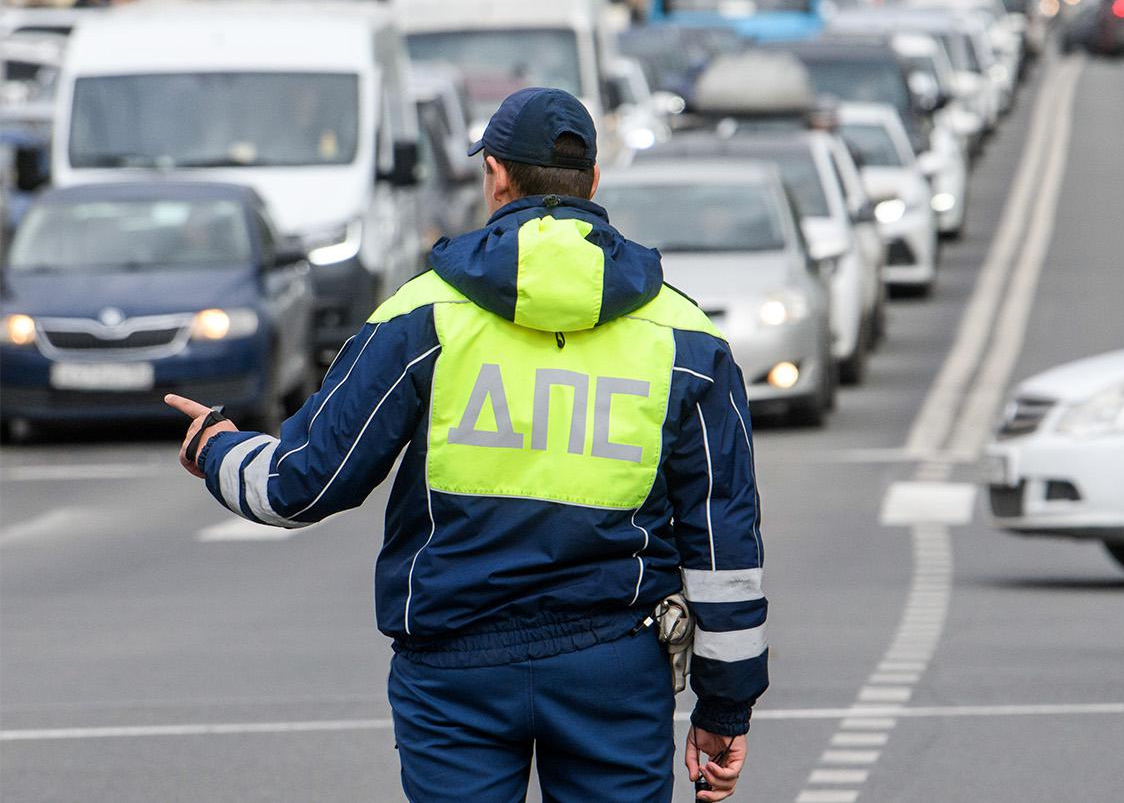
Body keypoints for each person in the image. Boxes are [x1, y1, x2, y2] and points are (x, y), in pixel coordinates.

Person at [167, 87, 767, 801]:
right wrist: (724, 707)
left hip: (455, 674)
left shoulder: (423, 315)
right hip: (614, 666)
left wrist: (217, 447)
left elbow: (302, 484)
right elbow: (723, 545)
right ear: (593, 184)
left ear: (497, 178)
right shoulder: (686, 338)